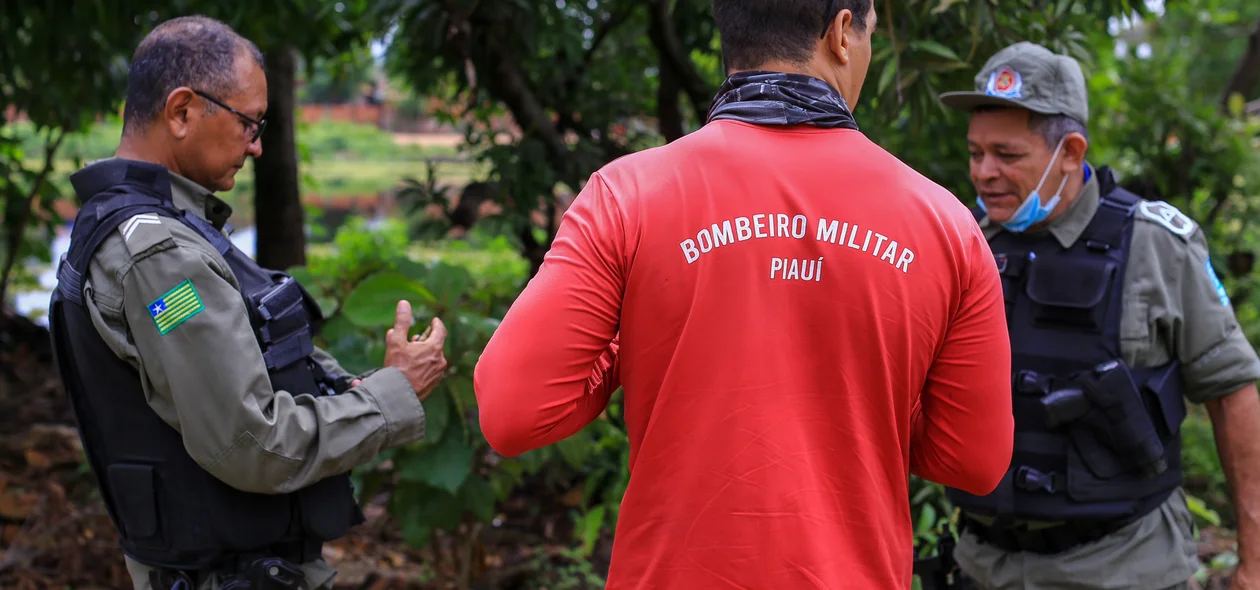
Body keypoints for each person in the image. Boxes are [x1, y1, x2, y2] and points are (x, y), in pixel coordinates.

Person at [472, 0, 1016, 587]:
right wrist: (875, 387)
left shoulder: (628, 195)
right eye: (869, 35)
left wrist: (632, 343)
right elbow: (973, 461)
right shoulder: (944, 225)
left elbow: (514, 412)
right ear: (840, 33)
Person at [46, 16, 449, 590]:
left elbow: (238, 374)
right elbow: (251, 444)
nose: (257, 145)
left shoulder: (154, 230)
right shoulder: (163, 260)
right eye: (248, 123)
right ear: (182, 111)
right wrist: (390, 396)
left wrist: (351, 388)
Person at [936, 41, 1260, 590]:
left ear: (1070, 151)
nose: (985, 173)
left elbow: (1232, 393)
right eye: (975, 153)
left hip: (1122, 568)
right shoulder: (963, 240)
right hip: (982, 565)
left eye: (1007, 155)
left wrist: (1254, 563)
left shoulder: (1155, 243)